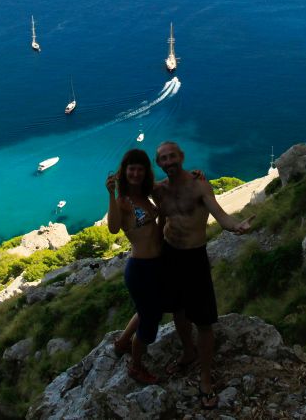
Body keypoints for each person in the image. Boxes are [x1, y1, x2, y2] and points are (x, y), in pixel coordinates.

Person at [153, 140, 251, 409]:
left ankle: (205, 379)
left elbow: (220, 214)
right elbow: (153, 211)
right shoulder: (158, 191)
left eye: (173, 156)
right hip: (170, 254)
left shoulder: (199, 185)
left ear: (181, 157)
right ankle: (188, 353)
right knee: (178, 310)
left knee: (204, 320)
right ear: (158, 163)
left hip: (194, 257)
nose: (169, 161)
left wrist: (236, 226)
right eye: (164, 158)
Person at [106, 148, 164, 384]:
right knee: (150, 318)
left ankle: (121, 344)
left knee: (145, 310)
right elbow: (112, 228)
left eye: (140, 169)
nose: (136, 173)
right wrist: (111, 194)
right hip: (140, 268)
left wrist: (195, 177)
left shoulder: (145, 196)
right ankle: (135, 366)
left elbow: (171, 185)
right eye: (132, 168)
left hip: (157, 264)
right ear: (124, 171)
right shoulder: (124, 202)